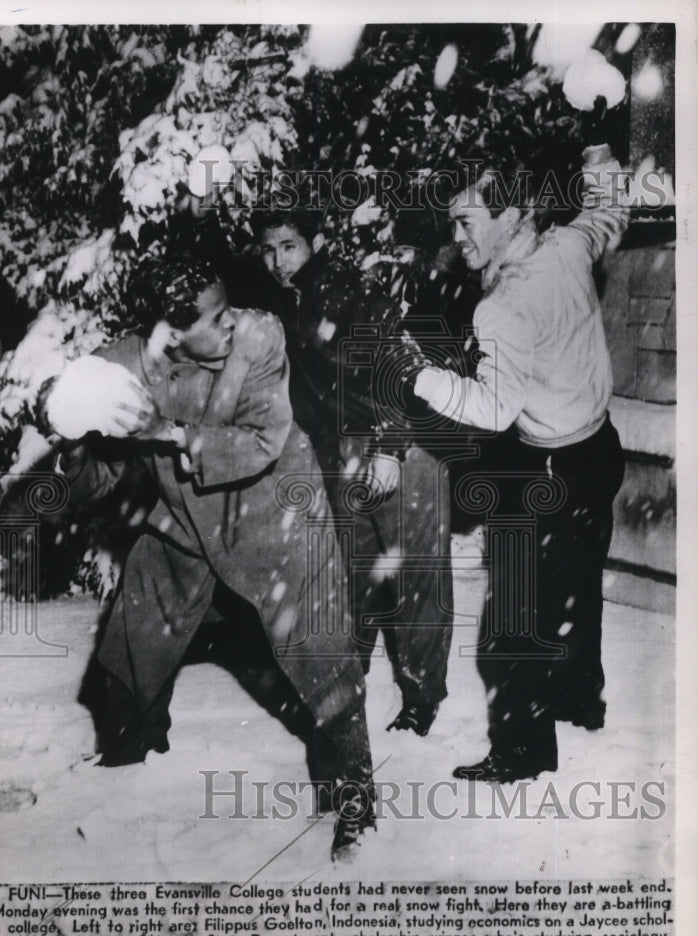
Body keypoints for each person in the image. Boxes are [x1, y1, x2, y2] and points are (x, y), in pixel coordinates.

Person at [38, 256, 376, 860]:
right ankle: (129, 765)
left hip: (280, 515)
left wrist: (163, 431)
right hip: (186, 524)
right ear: (169, 326)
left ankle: (355, 803)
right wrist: (70, 438)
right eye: (214, 317)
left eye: (227, 307)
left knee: (323, 658)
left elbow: (260, 443)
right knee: (133, 636)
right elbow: (97, 477)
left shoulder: (260, 335)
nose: (229, 323)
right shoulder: (122, 369)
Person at [405, 144, 628, 781]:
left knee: (513, 614)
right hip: (598, 451)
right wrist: (599, 155)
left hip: (551, 471)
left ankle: (524, 753)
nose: (456, 236)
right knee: (580, 583)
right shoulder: (565, 247)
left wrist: (422, 380)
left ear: (512, 217)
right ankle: (580, 698)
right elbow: (605, 210)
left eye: (466, 221)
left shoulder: (501, 308)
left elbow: (494, 408)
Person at [252, 209, 454, 737]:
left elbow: (401, 362)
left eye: (289, 245)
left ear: (314, 241)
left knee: (417, 575)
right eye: (269, 248)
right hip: (345, 448)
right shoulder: (284, 298)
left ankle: (422, 696)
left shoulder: (347, 289)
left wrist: (388, 448)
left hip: (403, 442)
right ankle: (347, 687)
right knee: (351, 573)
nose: (278, 261)